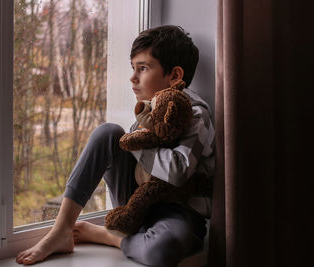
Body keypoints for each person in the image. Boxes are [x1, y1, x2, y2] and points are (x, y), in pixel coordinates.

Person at [16, 25, 215, 267]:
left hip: (178, 214)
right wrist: (136, 135)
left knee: (162, 252)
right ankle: (61, 230)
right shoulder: (147, 110)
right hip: (136, 206)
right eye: (133, 68)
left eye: (142, 68)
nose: (133, 77)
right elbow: (133, 160)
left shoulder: (196, 115)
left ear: (174, 76)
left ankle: (110, 236)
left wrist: (138, 142)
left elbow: (177, 171)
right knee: (107, 132)